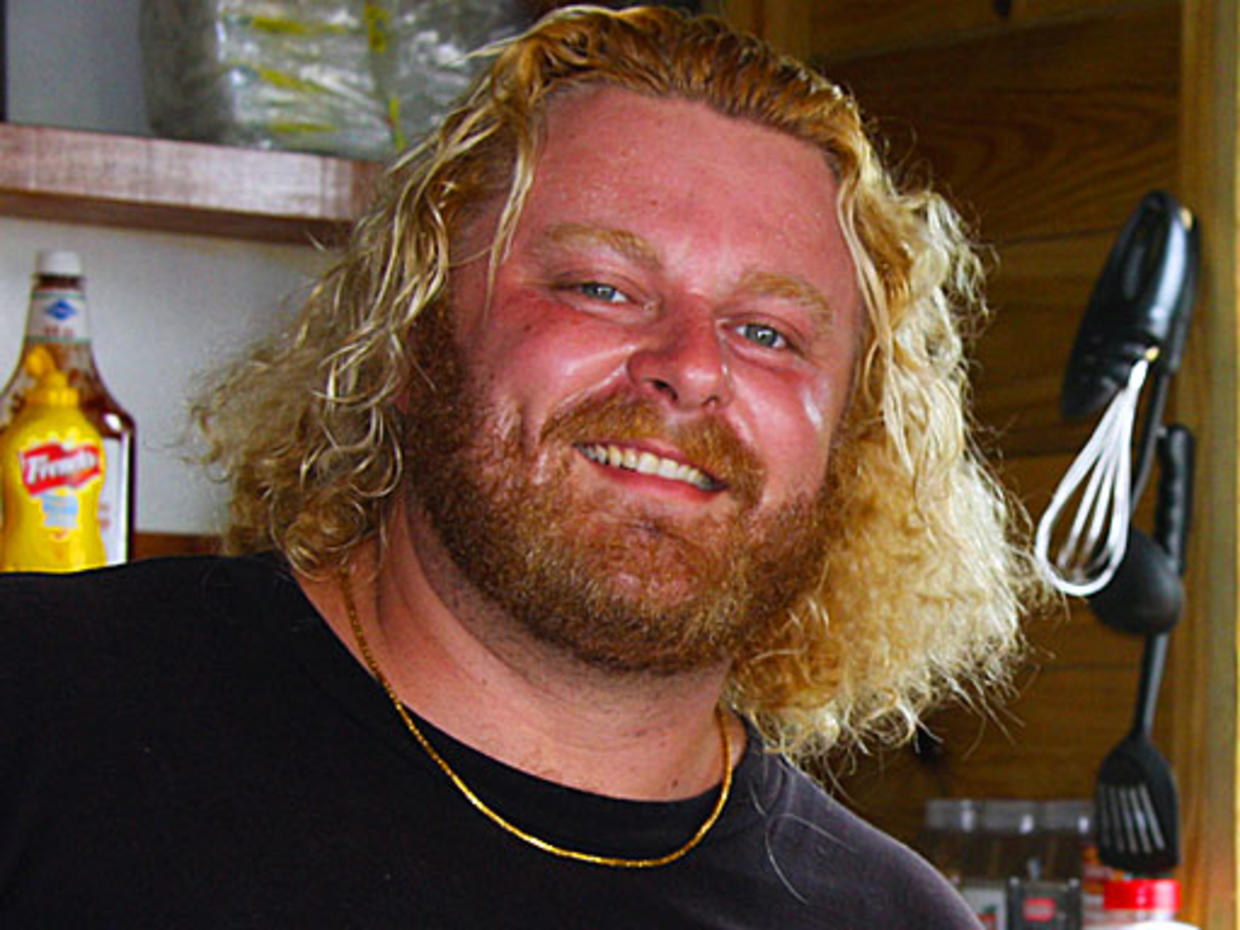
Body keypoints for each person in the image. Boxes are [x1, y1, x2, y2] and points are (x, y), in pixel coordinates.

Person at [1, 6, 1041, 927]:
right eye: (600, 286)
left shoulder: (891, 918)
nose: (690, 367)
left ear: (849, 438)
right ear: (409, 337)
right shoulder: (39, 709)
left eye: (767, 332)